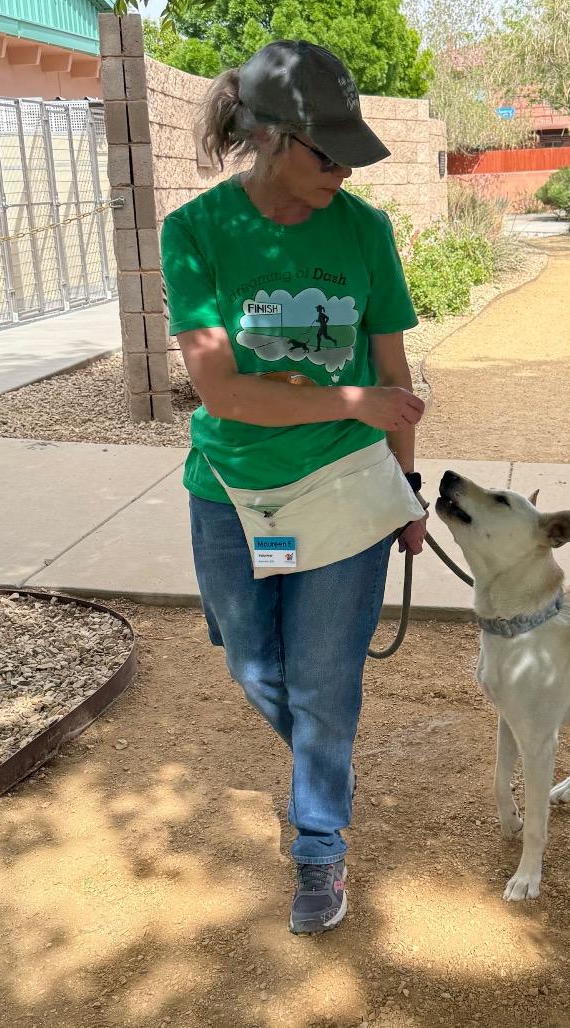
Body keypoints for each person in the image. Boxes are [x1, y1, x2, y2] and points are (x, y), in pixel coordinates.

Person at [160, 40, 428, 936]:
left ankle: (320, 846)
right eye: (327, 153)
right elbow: (225, 392)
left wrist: (408, 488)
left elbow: (399, 376)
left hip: (347, 488)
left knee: (322, 684)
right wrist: (355, 398)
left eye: (353, 154)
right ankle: (330, 761)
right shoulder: (195, 233)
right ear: (270, 136)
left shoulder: (366, 233)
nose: (343, 172)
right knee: (253, 665)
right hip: (234, 493)